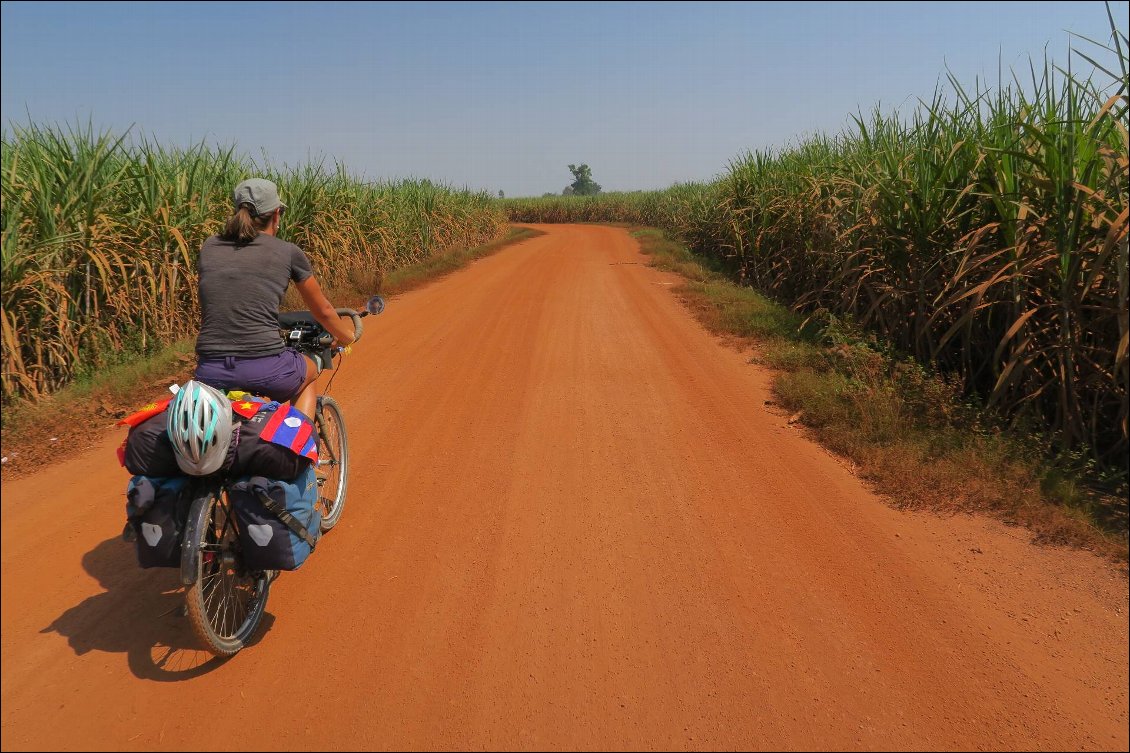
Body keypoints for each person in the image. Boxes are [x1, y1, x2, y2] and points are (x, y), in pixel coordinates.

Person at [192, 177, 355, 419]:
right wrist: (346, 337)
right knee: (309, 372)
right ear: (276, 215)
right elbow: (323, 311)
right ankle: (300, 450)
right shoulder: (287, 252)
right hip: (265, 366)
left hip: (209, 370)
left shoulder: (209, 246)